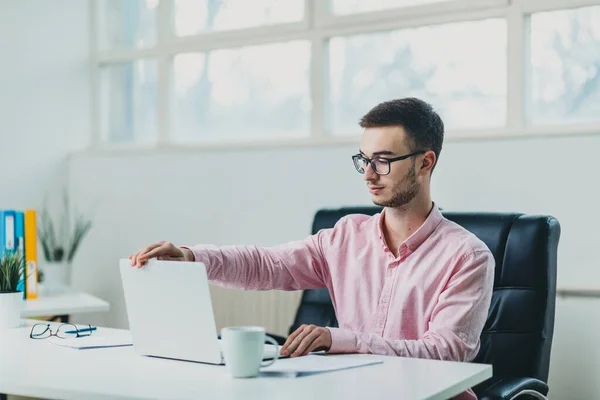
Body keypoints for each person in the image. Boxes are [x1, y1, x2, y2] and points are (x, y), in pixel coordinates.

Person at [129, 97, 494, 400]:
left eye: (383, 161)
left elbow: (444, 355)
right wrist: (191, 258)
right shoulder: (346, 235)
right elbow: (266, 264)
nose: (368, 173)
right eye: (364, 160)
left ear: (425, 162)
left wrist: (340, 339)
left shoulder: (466, 256)